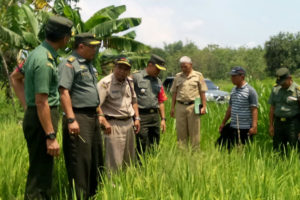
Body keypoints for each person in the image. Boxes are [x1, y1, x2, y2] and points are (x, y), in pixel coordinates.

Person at [22, 16, 73, 200]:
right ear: (65, 38)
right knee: (41, 174)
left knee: (40, 168)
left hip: (37, 115)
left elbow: (15, 77)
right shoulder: (45, 60)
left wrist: (27, 104)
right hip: (42, 118)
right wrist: (51, 136)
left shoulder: (36, 53)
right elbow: (42, 101)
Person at [58, 33, 103, 199]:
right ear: (81, 46)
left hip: (92, 116)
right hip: (78, 117)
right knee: (80, 163)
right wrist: (71, 119)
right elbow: (63, 92)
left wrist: (100, 115)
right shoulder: (69, 63)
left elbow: (92, 93)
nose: (95, 50)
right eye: (92, 46)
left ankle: (93, 195)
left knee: (95, 159)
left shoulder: (89, 65)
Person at [97, 57, 140, 172]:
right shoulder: (105, 83)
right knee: (114, 161)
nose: (122, 71)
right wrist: (103, 120)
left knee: (129, 159)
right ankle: (112, 187)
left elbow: (134, 101)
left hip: (129, 123)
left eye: (126, 69)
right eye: (119, 67)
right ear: (114, 67)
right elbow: (96, 104)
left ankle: (127, 184)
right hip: (113, 125)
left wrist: (137, 118)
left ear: (129, 71)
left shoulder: (129, 82)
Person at [132, 54, 167, 156]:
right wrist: (135, 117)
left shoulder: (158, 81)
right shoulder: (136, 77)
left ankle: (152, 166)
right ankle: (140, 168)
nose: (158, 72)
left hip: (154, 117)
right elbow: (129, 97)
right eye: (157, 69)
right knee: (141, 144)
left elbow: (161, 101)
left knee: (155, 144)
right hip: (141, 116)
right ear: (150, 65)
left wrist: (163, 119)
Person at [170, 56, 207, 149]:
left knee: (194, 132)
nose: (183, 69)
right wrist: (172, 108)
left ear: (191, 65)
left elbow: (202, 92)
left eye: (185, 66)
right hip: (180, 106)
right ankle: (182, 153)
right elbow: (174, 92)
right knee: (181, 131)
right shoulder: (178, 76)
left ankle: (195, 152)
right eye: (181, 67)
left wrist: (204, 107)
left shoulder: (198, 75)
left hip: (194, 105)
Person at [218, 66, 258, 150]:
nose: (232, 79)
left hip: (245, 127)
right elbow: (230, 108)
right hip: (233, 126)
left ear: (242, 77)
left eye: (234, 76)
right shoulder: (233, 90)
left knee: (242, 150)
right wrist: (223, 123)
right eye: (231, 76)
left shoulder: (250, 91)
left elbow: (254, 109)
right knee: (224, 147)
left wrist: (254, 126)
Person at [268, 67, 300, 152]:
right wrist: (271, 125)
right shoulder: (275, 89)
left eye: (283, 82)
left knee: (295, 148)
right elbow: (272, 108)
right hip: (278, 124)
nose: (281, 84)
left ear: (290, 78)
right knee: (277, 149)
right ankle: (279, 165)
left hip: (293, 124)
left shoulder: (297, 91)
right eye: (280, 82)